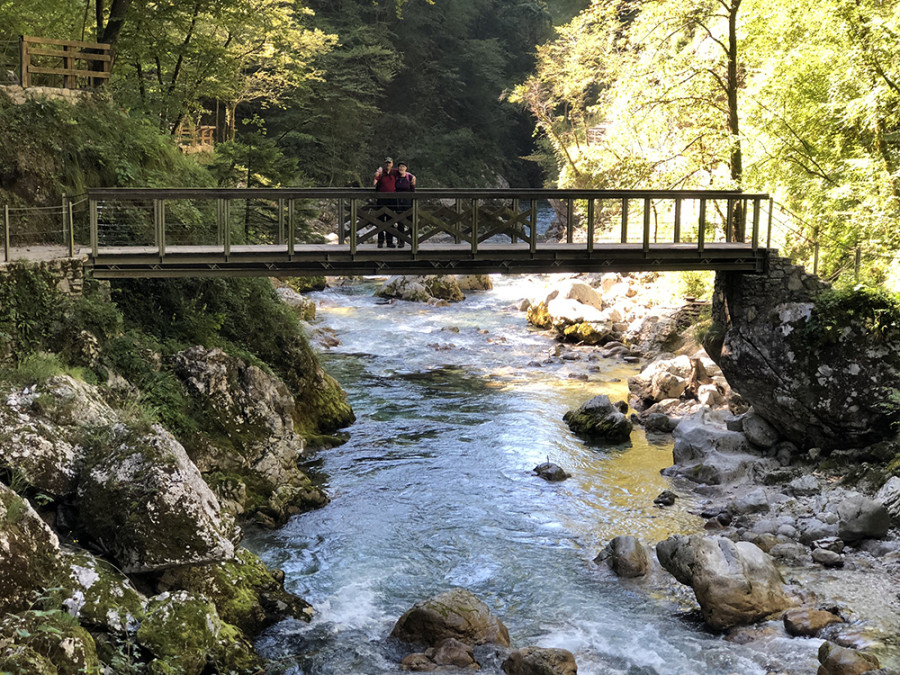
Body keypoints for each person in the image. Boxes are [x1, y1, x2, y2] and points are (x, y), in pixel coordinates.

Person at [373, 157, 398, 248]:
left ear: (392, 164)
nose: (388, 164)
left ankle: (389, 242)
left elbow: (405, 173)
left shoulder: (394, 172)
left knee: (390, 221)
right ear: (384, 164)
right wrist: (377, 175)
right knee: (380, 221)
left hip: (391, 200)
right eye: (386, 163)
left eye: (389, 163)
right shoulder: (381, 173)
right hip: (381, 199)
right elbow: (374, 183)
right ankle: (380, 242)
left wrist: (413, 177)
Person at [393, 162, 416, 249]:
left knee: (411, 222)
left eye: (403, 167)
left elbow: (413, 190)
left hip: (408, 202)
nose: (401, 168)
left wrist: (413, 182)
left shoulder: (409, 177)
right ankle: (401, 242)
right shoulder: (396, 176)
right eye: (400, 167)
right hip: (399, 202)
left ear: (406, 168)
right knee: (400, 223)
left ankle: (413, 241)